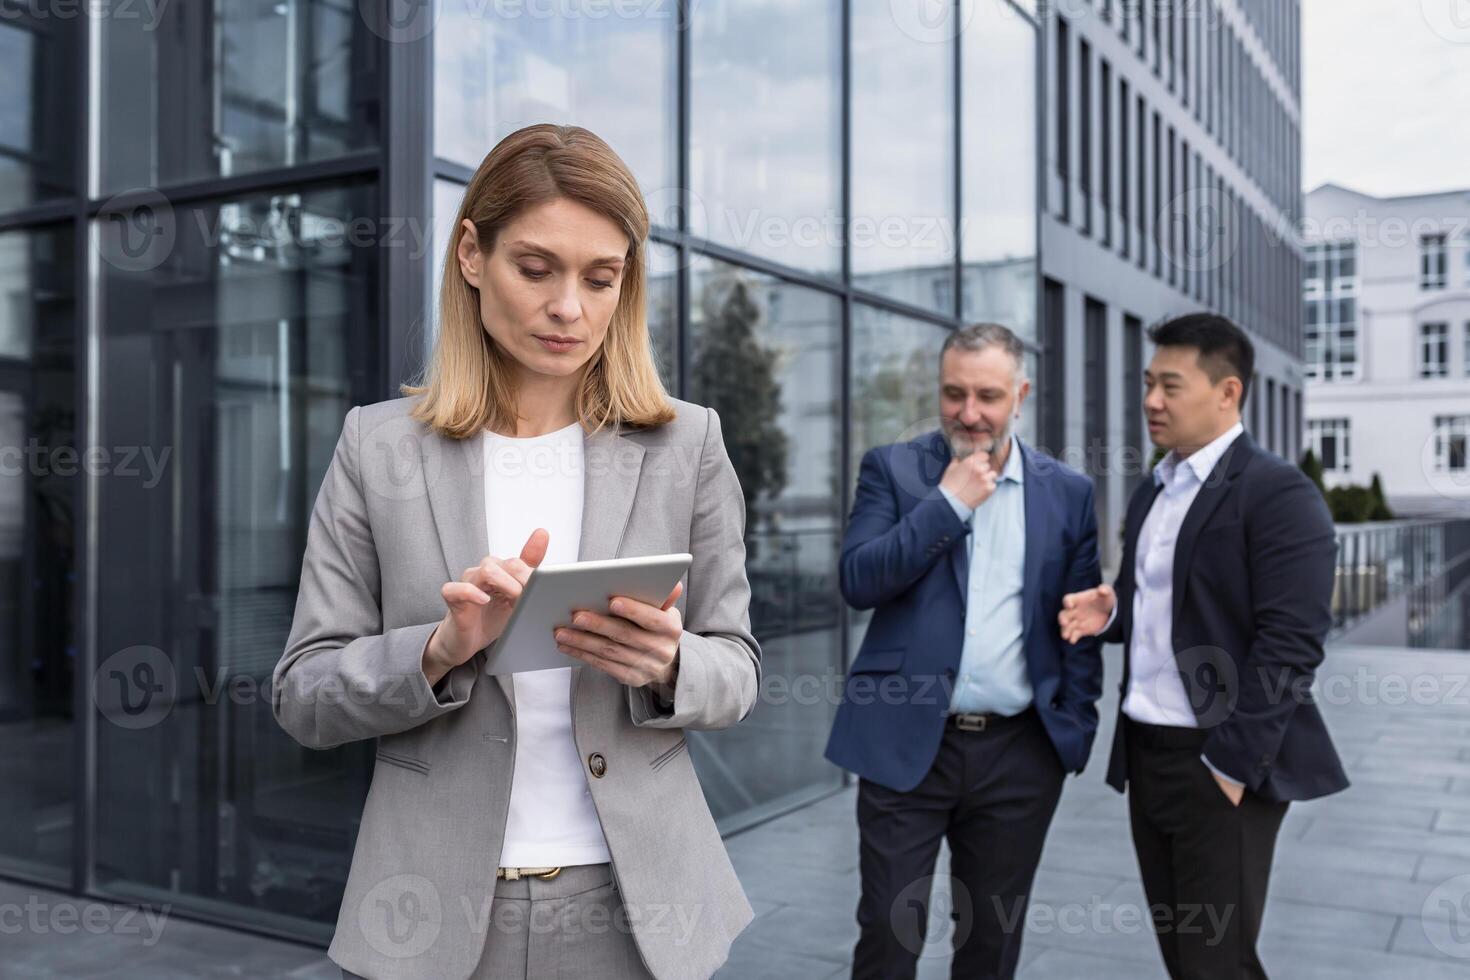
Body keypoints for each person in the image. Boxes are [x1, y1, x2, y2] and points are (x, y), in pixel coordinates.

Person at [272, 124, 760, 980]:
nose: (569, 306)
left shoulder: (688, 444)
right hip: (430, 909)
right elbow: (304, 695)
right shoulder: (377, 446)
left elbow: (740, 671)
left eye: (600, 278)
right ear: (471, 254)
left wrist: (670, 663)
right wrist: (439, 649)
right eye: (536, 269)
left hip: (638, 907)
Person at [1059, 312, 1349, 980]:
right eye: (1147, 384)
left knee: (1217, 963)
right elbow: (1174, 607)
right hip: (1147, 754)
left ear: (1228, 392)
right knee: (1183, 958)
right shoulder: (1154, 488)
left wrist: (1231, 766)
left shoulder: (1279, 494)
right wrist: (1113, 609)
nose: (1151, 402)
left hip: (1220, 763)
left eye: (1171, 385)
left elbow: (1293, 643)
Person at [824, 323, 1105, 979]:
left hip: (1019, 755)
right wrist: (947, 505)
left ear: (1020, 395)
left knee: (990, 945)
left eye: (987, 396)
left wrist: (1075, 727)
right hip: (903, 747)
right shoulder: (892, 470)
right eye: (954, 393)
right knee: (889, 939)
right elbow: (859, 580)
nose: (969, 413)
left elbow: (1078, 626)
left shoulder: (1068, 493)